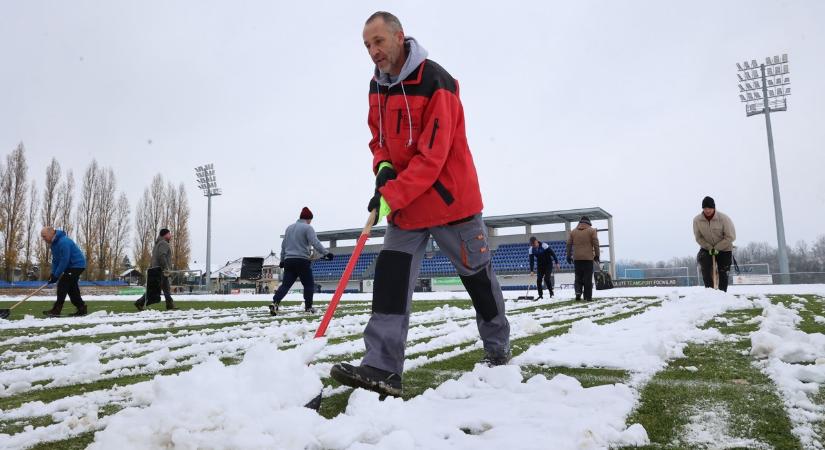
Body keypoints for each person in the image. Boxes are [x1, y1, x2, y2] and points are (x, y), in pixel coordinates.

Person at [330, 12, 511, 398]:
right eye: (367, 45)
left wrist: (389, 196)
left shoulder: (437, 82)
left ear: (399, 37)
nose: (373, 51)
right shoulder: (376, 87)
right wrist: (382, 170)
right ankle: (381, 367)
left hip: (452, 203)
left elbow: (433, 157)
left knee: (479, 281)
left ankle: (498, 351)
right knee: (390, 283)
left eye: (378, 42)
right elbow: (378, 138)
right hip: (407, 210)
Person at [270, 207, 332, 315]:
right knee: (308, 285)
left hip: (288, 261)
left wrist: (282, 260)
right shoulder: (308, 228)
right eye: (310, 220)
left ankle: (275, 303)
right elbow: (315, 242)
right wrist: (326, 253)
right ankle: (308, 308)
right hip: (302, 261)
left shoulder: (289, 228)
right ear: (308, 219)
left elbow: (283, 246)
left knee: (285, 285)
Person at [40, 227, 88, 317]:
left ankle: (56, 310)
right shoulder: (53, 245)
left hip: (77, 265)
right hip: (69, 267)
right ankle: (81, 308)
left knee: (63, 284)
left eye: (44, 236)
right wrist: (53, 274)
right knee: (72, 288)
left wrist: (57, 275)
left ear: (51, 233)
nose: (43, 239)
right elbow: (55, 261)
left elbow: (64, 260)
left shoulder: (63, 242)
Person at [693, 196, 736, 292]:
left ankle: (722, 293)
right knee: (705, 267)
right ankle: (710, 292)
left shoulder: (724, 219)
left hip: (724, 248)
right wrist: (709, 247)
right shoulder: (697, 220)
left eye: (709, 208)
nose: (707, 210)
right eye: (705, 208)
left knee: (723, 272)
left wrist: (717, 248)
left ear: (714, 208)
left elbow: (731, 236)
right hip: (707, 248)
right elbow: (698, 237)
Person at [134, 229, 177, 311]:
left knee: (166, 288)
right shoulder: (164, 243)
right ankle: (140, 302)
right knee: (154, 289)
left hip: (156, 269)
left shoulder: (157, 244)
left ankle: (170, 304)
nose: (170, 235)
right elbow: (162, 256)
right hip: (161, 270)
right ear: (164, 235)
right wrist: (166, 268)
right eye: (169, 234)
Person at [566, 216, 600, 301]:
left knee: (578, 277)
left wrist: (568, 256)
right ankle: (588, 297)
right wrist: (597, 255)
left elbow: (569, 244)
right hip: (588, 258)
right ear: (588, 222)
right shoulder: (592, 231)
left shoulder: (573, 231)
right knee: (587, 278)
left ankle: (578, 292)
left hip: (577, 258)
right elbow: (596, 243)